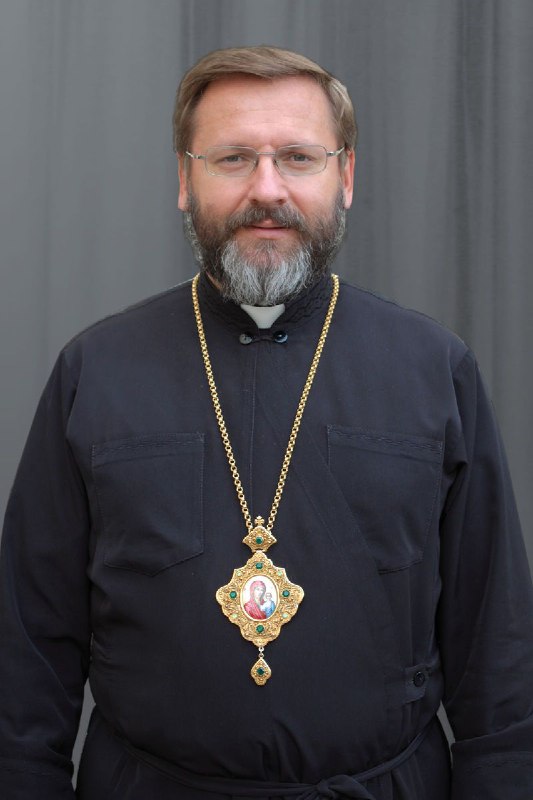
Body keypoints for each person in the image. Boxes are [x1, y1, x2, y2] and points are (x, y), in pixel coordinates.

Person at [0, 44, 532, 800]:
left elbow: (497, 657)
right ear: (184, 179)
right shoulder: (96, 370)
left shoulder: (433, 368)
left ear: (345, 177)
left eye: (298, 158)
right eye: (233, 158)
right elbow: (27, 657)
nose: (266, 189)